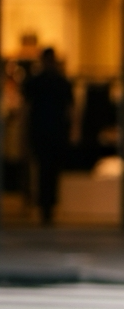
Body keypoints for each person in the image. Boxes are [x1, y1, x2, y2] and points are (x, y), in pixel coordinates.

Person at [23, 48, 73, 225]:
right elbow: (69, 109)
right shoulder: (61, 81)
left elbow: (27, 105)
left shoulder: (36, 81)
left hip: (42, 132)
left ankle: (45, 207)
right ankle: (48, 206)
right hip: (54, 132)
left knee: (44, 171)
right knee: (50, 172)